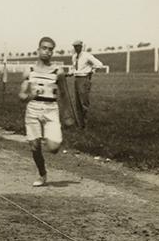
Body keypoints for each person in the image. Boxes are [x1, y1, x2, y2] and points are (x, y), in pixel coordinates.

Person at [19, 37, 65, 187]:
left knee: (53, 148)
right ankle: (42, 173)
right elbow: (21, 95)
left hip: (51, 109)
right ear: (38, 49)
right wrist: (29, 95)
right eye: (44, 48)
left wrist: (69, 115)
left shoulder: (58, 71)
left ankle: (48, 133)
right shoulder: (29, 71)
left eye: (51, 49)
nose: (47, 51)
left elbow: (64, 94)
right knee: (34, 146)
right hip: (33, 109)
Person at [69, 40, 103, 128]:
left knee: (84, 102)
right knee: (77, 103)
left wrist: (91, 71)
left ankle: (85, 123)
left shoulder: (87, 56)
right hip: (76, 79)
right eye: (75, 46)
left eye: (78, 46)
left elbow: (99, 64)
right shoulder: (74, 57)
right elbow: (74, 68)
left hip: (84, 79)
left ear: (81, 46)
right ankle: (80, 124)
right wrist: (70, 73)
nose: (76, 48)